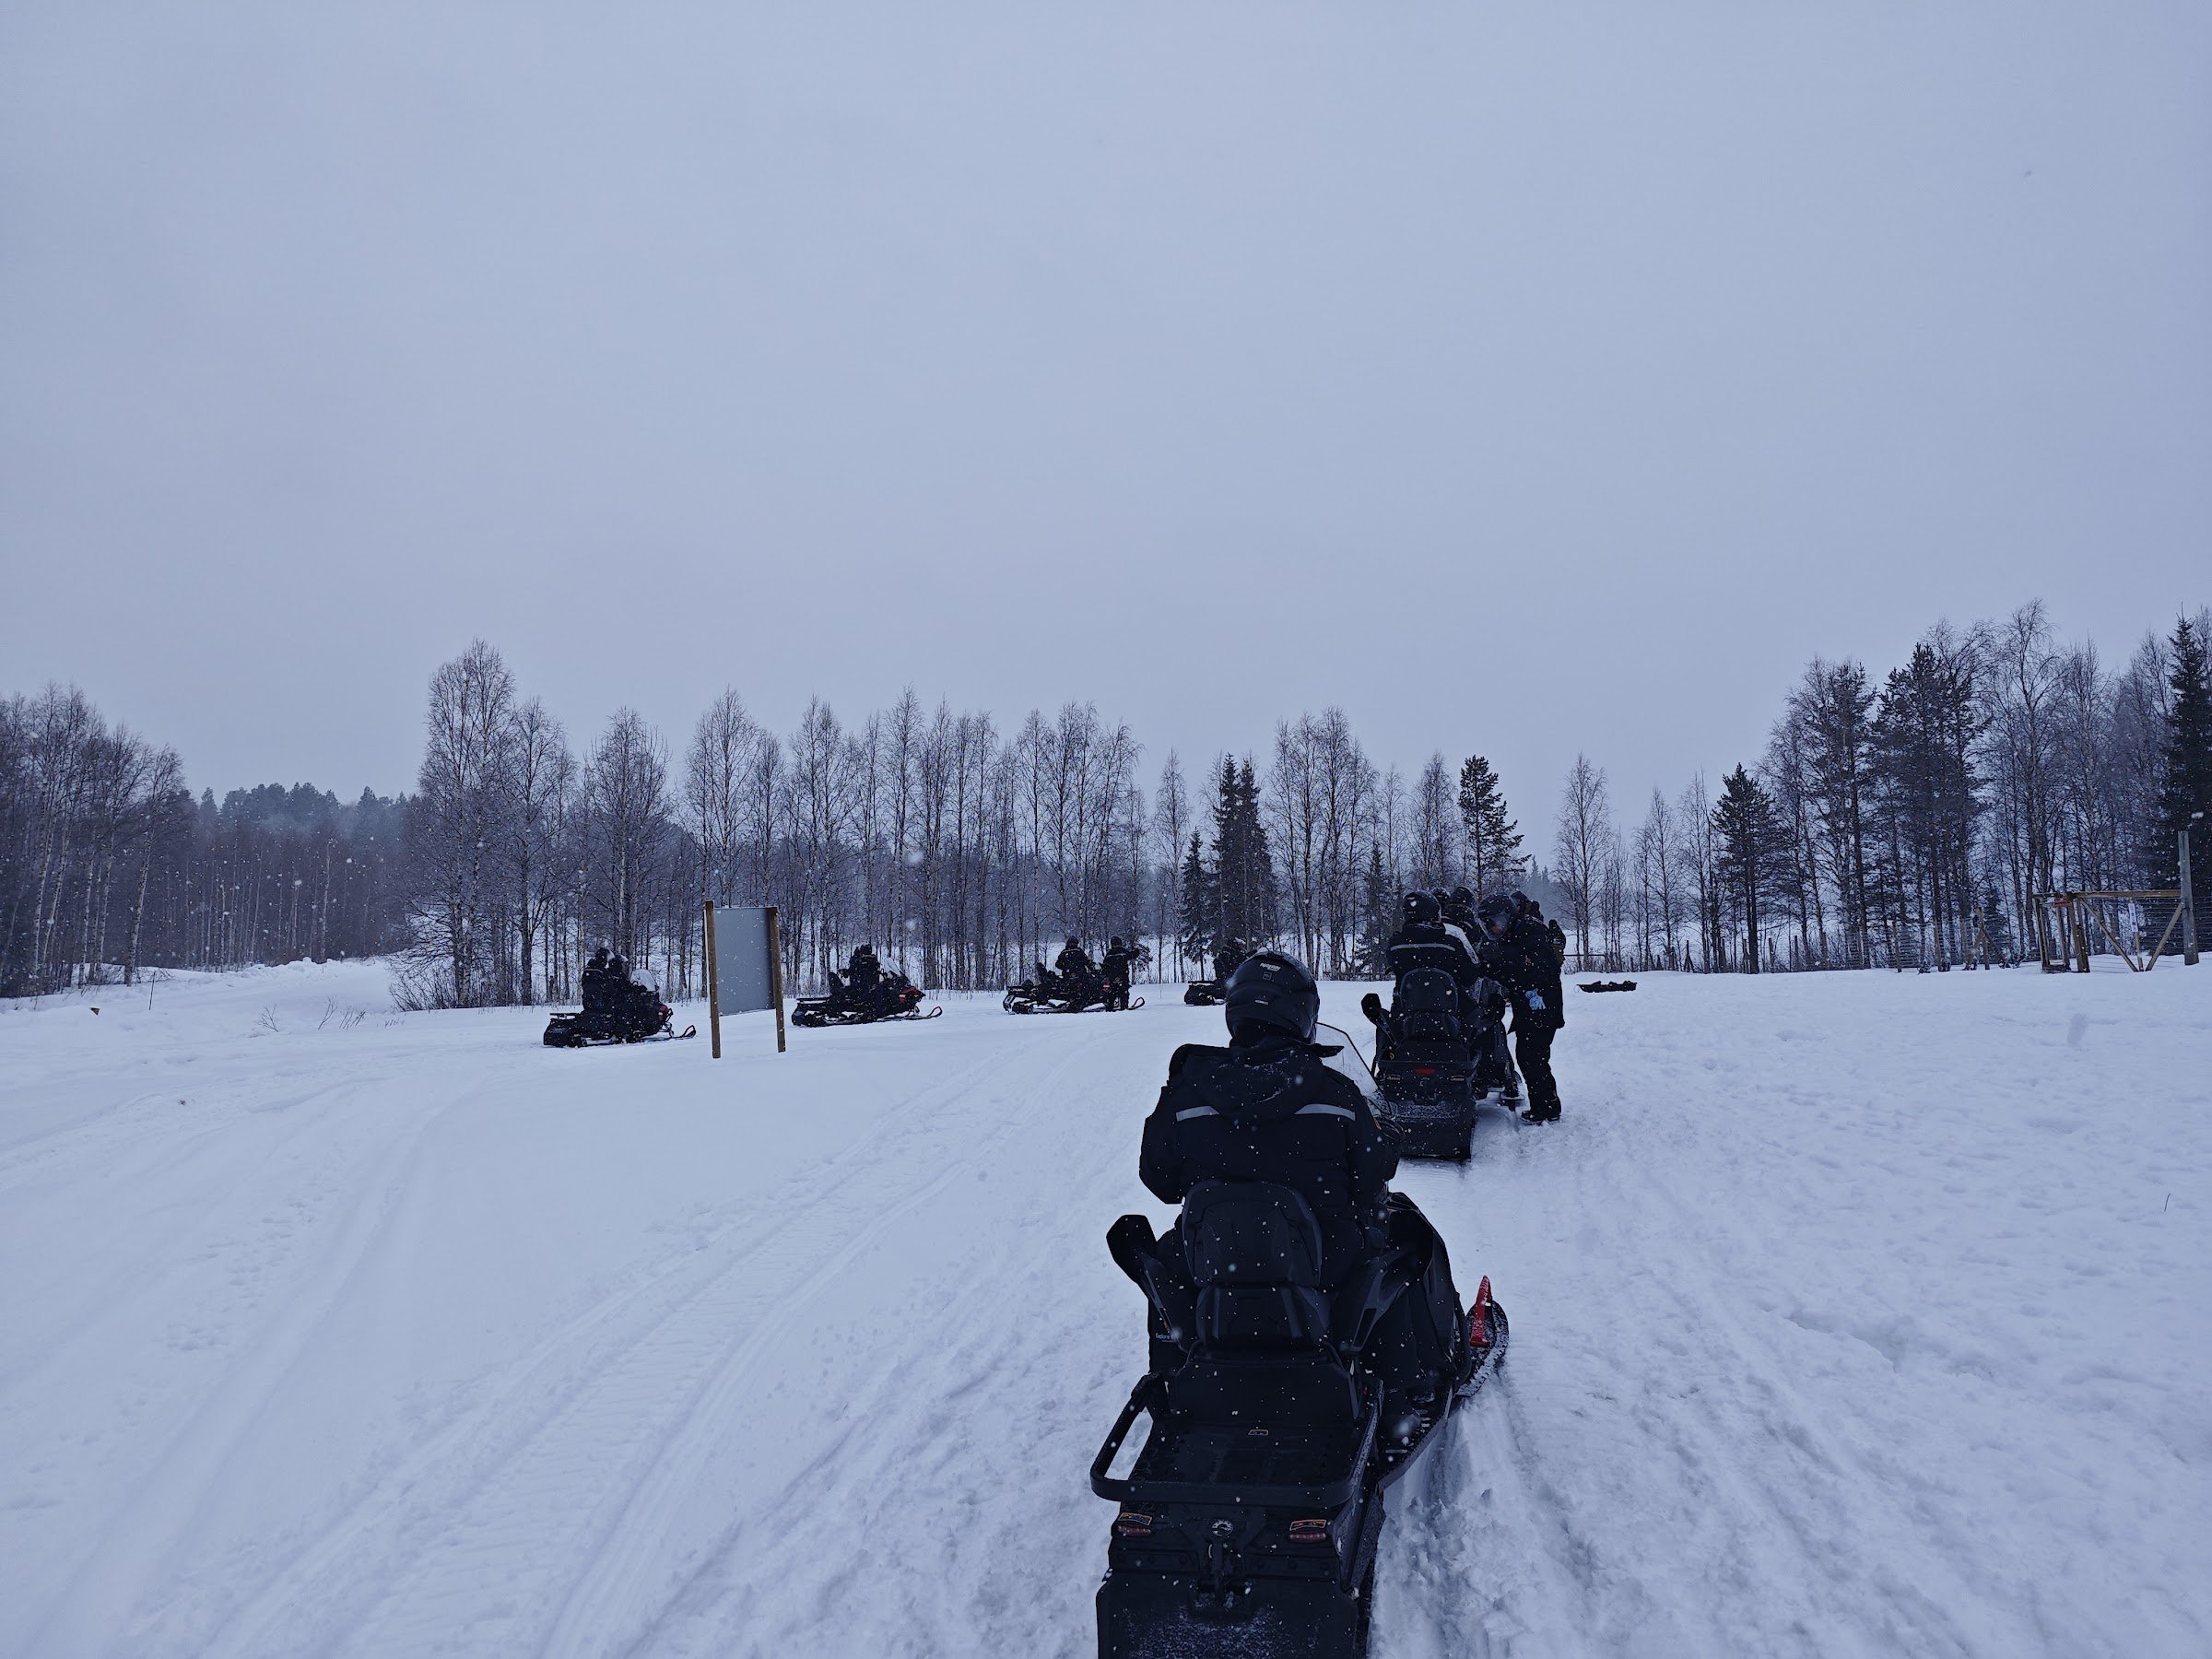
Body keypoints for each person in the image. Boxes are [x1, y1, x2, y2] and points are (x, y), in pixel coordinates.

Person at [1139, 951, 1469, 1395]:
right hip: (1323, 1263)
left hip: (1216, 1262)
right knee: (1403, 1243)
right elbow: (1376, 1171)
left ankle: (1172, 1379)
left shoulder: (1186, 1094)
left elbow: (1158, 1179)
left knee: (1163, 1263)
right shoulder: (1334, 1093)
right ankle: (1407, 1384)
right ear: (1301, 1014)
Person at [1477, 892, 1564, 1122]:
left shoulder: (1531, 933)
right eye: (1489, 924)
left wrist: (1497, 970)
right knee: (1531, 1057)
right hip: (1531, 1008)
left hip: (1541, 1008)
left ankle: (1546, 1107)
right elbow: (1513, 969)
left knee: (1532, 1058)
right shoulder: (1514, 935)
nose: (1493, 928)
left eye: (1495, 922)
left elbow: (1533, 973)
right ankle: (1547, 1105)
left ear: (1508, 916)